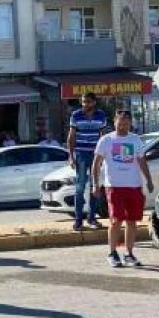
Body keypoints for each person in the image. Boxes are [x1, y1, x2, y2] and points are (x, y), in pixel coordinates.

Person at [92, 110, 154, 268]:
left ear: (130, 123)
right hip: (114, 187)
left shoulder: (135, 140)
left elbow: (141, 161)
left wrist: (148, 180)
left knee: (132, 221)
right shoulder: (106, 140)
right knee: (116, 220)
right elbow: (96, 163)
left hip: (134, 186)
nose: (123, 124)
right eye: (120, 121)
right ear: (115, 122)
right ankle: (112, 253)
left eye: (126, 122)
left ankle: (129, 254)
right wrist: (95, 184)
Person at [67, 91, 108, 231]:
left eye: (88, 102)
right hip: (81, 154)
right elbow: (71, 137)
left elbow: (103, 137)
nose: (85, 105)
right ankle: (78, 220)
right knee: (80, 187)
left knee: (95, 187)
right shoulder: (76, 115)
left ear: (94, 102)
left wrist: (103, 156)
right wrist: (71, 156)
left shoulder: (101, 115)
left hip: (96, 154)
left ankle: (92, 218)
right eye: (84, 102)